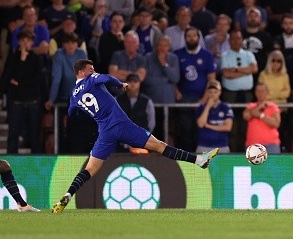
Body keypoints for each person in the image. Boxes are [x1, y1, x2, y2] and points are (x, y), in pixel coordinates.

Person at [51, 59, 220, 213]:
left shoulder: (74, 94)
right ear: (81, 72)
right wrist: (120, 84)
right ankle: (199, 160)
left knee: (89, 169)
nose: (93, 71)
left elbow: (71, 112)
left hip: (105, 132)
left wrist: (82, 108)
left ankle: (68, 194)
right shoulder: (90, 79)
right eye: (90, 69)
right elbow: (107, 78)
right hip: (122, 125)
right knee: (160, 146)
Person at [0, 30, 45, 154]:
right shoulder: (13, 58)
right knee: (13, 133)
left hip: (32, 100)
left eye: (28, 40)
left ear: (32, 42)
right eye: (23, 40)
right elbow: (7, 78)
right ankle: (11, 163)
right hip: (16, 100)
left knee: (34, 134)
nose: (25, 43)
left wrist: (19, 83)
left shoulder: (37, 59)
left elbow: (37, 81)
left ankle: (37, 163)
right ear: (19, 42)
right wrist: (22, 60)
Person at [243, 82, 282, 154]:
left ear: (267, 92)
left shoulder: (273, 107)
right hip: (252, 145)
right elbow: (246, 116)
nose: (260, 93)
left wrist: (261, 115)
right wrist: (260, 107)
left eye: (262, 91)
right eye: (258, 91)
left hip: (271, 145)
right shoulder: (250, 106)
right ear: (255, 93)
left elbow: (276, 123)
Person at [195, 80, 233, 153]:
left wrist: (209, 126)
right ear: (207, 93)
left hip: (221, 146)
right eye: (210, 92)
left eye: (215, 92)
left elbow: (228, 127)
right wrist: (208, 107)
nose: (213, 94)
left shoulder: (225, 107)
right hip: (203, 146)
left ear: (220, 92)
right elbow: (201, 124)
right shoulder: (201, 107)